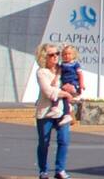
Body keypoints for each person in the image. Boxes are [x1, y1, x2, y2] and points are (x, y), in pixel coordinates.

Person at [34, 43, 79, 179]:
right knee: (44, 142)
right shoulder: (42, 72)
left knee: (63, 140)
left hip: (62, 112)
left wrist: (73, 90)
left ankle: (60, 170)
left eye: (57, 54)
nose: (55, 57)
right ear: (44, 57)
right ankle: (43, 170)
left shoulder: (63, 69)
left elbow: (73, 86)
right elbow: (48, 91)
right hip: (45, 111)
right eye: (51, 55)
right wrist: (65, 94)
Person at [58, 44, 85, 125]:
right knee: (64, 99)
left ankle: (72, 107)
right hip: (64, 84)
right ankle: (69, 112)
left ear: (73, 55)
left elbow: (80, 75)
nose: (67, 56)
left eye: (69, 54)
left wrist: (81, 85)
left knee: (72, 95)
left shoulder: (75, 64)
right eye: (64, 54)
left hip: (73, 83)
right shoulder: (62, 65)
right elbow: (59, 74)